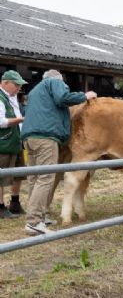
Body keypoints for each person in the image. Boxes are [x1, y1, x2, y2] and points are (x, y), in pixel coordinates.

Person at [21, 69, 97, 235]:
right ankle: (34, 222)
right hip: (46, 137)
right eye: (63, 84)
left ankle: (40, 217)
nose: (63, 86)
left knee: (35, 178)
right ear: (58, 79)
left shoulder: (34, 91)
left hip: (30, 137)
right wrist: (84, 96)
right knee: (46, 178)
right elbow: (63, 98)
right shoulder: (54, 82)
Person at [0, 71, 27, 219]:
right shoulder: (0, 98)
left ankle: (14, 203)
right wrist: (21, 120)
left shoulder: (12, 97)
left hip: (15, 141)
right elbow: (1, 122)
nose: (18, 88)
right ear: (4, 82)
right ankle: (0, 207)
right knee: (1, 176)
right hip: (3, 143)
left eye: (20, 85)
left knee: (18, 174)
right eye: (16, 85)